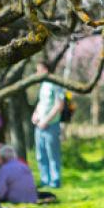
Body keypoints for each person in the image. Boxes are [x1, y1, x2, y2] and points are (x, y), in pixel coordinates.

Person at [31, 60, 66, 188]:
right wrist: (35, 113)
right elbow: (42, 102)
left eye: (38, 70)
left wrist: (46, 120)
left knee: (52, 154)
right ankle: (45, 181)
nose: (37, 73)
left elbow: (59, 105)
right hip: (39, 125)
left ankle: (55, 181)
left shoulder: (55, 84)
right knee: (40, 155)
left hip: (51, 125)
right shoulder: (43, 85)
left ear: (45, 70)